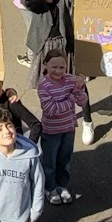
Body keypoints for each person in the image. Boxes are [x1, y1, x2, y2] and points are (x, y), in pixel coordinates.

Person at [34, 50, 88, 205]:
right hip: (51, 131)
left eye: (62, 68)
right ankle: (50, 188)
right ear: (45, 65)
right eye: (54, 67)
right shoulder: (44, 86)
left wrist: (79, 88)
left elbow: (82, 101)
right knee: (49, 162)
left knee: (65, 160)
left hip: (69, 128)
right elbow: (50, 110)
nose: (58, 71)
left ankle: (62, 185)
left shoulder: (71, 80)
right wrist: (69, 101)